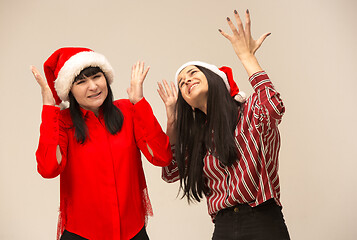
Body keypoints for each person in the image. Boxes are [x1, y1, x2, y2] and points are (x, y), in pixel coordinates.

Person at [158, 9, 290, 239]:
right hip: (223, 226)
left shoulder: (249, 112)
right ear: (187, 103)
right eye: (181, 83)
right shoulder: (199, 138)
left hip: (261, 220)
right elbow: (170, 172)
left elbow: (273, 106)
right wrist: (171, 121)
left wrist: (246, 56)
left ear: (215, 79)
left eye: (192, 73)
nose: (186, 80)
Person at [31, 47, 172, 240]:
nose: (93, 86)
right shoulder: (63, 122)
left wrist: (139, 102)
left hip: (133, 232)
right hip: (83, 233)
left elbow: (161, 156)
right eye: (81, 82)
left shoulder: (127, 111)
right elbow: (48, 169)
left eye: (96, 77)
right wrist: (49, 109)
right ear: (69, 90)